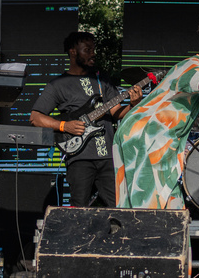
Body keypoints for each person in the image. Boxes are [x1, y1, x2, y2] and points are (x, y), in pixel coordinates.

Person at [113, 10, 199, 209]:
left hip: (155, 140)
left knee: (171, 207)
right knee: (148, 209)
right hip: (144, 138)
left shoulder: (196, 67)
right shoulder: (192, 67)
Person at [29, 31, 142, 206]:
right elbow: (35, 117)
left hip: (108, 157)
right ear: (73, 52)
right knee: (78, 208)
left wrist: (134, 104)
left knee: (118, 207)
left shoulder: (102, 80)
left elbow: (117, 113)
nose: (92, 53)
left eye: (93, 49)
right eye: (87, 49)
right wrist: (64, 126)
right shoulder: (57, 84)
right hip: (80, 157)